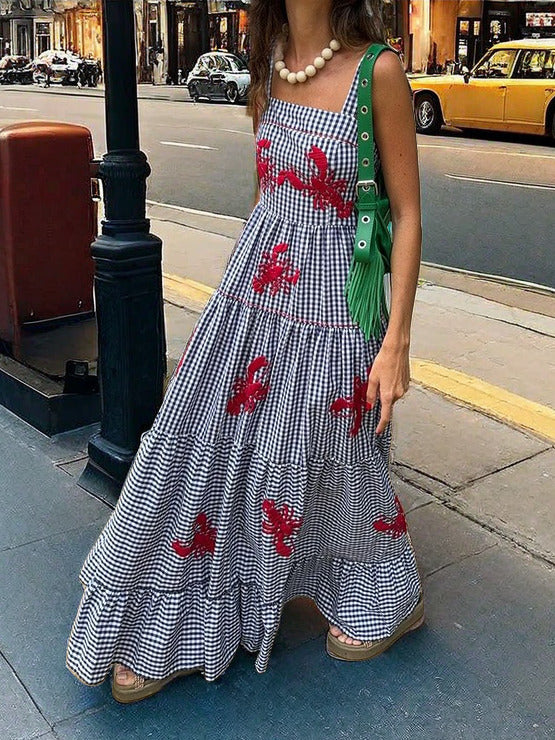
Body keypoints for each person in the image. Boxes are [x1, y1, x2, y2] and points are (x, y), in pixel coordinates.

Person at [65, 0, 424, 704]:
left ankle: (385, 595)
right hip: (257, 284)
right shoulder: (267, 65)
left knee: (333, 455)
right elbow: (266, 193)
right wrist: (231, 304)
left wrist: (396, 343)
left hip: (336, 299)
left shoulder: (378, 73)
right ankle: (177, 620)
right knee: (198, 443)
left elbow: (407, 214)